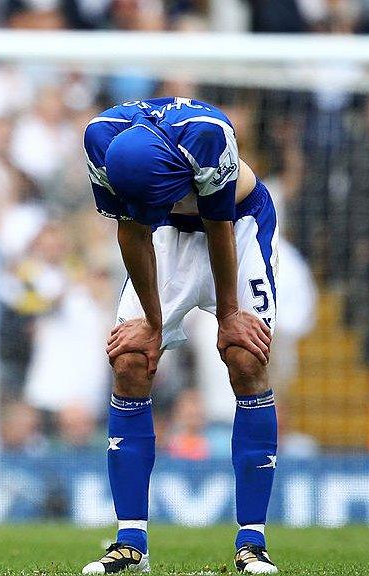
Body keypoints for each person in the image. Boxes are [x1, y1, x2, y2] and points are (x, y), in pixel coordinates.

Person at [81, 98, 278, 575]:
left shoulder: (206, 136)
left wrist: (230, 314)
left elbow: (219, 228)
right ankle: (131, 543)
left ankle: (252, 541)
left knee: (245, 356)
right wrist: (151, 323)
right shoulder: (100, 139)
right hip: (165, 234)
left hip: (238, 225)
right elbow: (132, 232)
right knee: (129, 358)